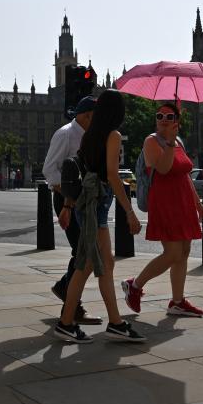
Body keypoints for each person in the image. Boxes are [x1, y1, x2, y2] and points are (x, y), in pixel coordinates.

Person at [57, 89, 144, 343]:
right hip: (97, 206)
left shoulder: (90, 135)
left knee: (100, 265)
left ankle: (113, 322)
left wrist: (68, 206)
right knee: (89, 266)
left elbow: (81, 171)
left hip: (89, 205)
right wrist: (129, 211)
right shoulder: (113, 135)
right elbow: (113, 175)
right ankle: (68, 323)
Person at [122, 102, 203, 318]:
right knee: (172, 253)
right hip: (165, 202)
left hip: (183, 201)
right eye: (159, 116)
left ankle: (177, 302)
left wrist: (198, 203)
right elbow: (162, 168)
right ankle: (135, 285)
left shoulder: (179, 141)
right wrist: (169, 142)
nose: (162, 119)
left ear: (176, 122)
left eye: (169, 116)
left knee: (184, 252)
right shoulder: (151, 141)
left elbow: (185, 175)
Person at [42, 95, 101, 326]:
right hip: (66, 200)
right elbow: (49, 170)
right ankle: (71, 304)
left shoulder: (89, 135)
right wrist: (70, 194)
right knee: (82, 252)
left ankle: (65, 289)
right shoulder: (65, 134)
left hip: (83, 201)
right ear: (86, 116)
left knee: (83, 251)